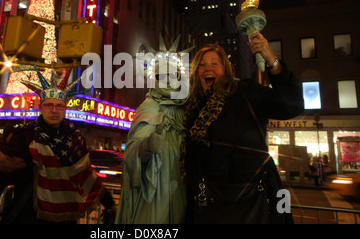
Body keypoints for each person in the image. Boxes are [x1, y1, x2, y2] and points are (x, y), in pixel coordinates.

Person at [180, 33, 304, 224]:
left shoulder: (244, 92)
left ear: (225, 69)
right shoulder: (192, 109)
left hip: (255, 203)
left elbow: (292, 104)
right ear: (196, 72)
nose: (208, 69)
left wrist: (271, 59)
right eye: (202, 65)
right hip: (210, 207)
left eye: (215, 63)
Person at [0, 67, 116, 223]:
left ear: (65, 109)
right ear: (40, 107)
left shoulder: (75, 138)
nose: (54, 110)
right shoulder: (24, 135)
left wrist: (109, 204)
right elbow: (2, 173)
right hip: (30, 215)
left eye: (59, 106)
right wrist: (1, 166)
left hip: (64, 217)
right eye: (49, 105)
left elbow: (86, 175)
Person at [116, 36, 193, 224]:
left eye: (172, 75)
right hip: (156, 191)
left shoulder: (189, 107)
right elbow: (131, 153)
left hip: (184, 188)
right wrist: (146, 147)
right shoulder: (148, 107)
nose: (167, 81)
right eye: (160, 76)